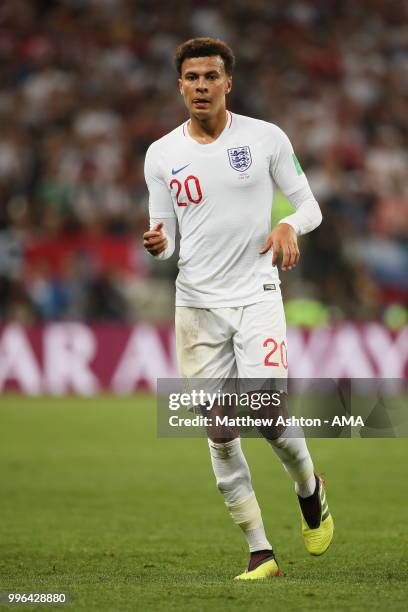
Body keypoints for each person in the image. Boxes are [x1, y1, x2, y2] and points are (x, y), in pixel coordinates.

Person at [143, 37, 333, 580]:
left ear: (229, 82)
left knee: (265, 416)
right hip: (197, 303)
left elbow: (309, 206)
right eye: (192, 77)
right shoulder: (162, 154)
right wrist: (160, 245)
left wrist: (286, 224)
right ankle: (260, 551)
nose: (201, 86)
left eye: (211, 76)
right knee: (220, 430)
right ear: (179, 85)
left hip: (256, 295)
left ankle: (309, 487)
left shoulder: (266, 138)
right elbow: (168, 235)